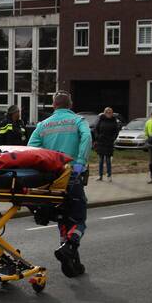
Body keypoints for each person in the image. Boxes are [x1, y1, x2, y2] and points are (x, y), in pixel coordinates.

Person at [28, 91, 92, 278]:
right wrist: (80, 161)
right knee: (79, 219)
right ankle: (69, 246)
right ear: (70, 105)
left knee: (63, 216)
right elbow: (87, 138)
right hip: (71, 174)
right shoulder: (78, 121)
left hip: (51, 178)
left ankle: (72, 260)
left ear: (54, 105)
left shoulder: (43, 125)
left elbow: (32, 147)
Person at [95, 107, 120, 181]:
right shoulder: (100, 119)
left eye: (110, 112)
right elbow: (96, 129)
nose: (108, 113)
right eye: (107, 112)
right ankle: (100, 175)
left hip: (109, 143)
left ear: (112, 113)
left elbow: (116, 131)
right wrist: (97, 137)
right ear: (104, 113)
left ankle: (109, 176)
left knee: (108, 160)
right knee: (101, 160)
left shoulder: (114, 121)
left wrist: (113, 138)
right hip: (101, 142)